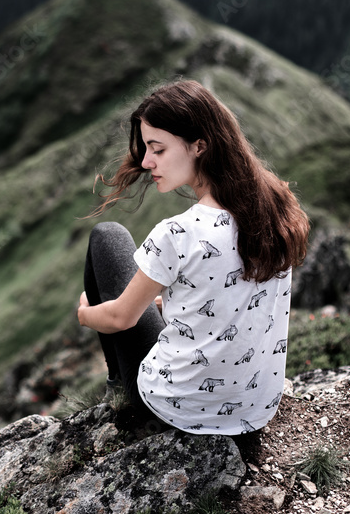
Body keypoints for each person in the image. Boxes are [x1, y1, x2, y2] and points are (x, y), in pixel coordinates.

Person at [76, 79, 310, 435]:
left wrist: (85, 312)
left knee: (108, 237)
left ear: (199, 146)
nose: (145, 160)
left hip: (177, 407)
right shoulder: (274, 205)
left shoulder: (180, 232)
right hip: (254, 408)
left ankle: (121, 389)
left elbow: (121, 318)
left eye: (157, 148)